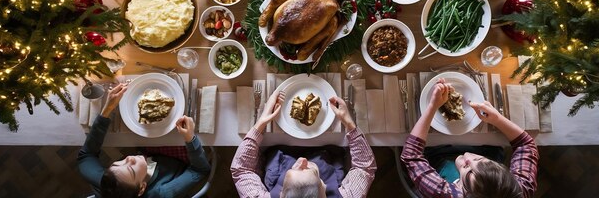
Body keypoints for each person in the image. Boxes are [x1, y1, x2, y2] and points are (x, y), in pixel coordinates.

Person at [402, 79, 539, 198]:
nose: (467, 157)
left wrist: (432, 106)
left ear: (463, 193)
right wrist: (497, 119)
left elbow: (411, 155)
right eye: (480, 160)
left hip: (438, 156)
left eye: (467, 168)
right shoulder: (518, 190)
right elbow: (525, 145)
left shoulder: (445, 194)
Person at [230, 88, 376, 197]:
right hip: (329, 153)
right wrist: (349, 123)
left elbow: (242, 170)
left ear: (281, 195)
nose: (302, 160)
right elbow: (364, 168)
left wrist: (261, 121)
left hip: (277, 153)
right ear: (323, 190)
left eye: (295, 169)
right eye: (310, 170)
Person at [78, 83, 211, 198]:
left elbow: (86, 156)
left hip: (151, 152)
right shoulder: (162, 193)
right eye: (132, 169)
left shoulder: (106, 181)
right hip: (178, 163)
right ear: (142, 188)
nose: (130, 157)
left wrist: (107, 109)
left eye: (119, 163)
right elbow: (200, 170)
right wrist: (190, 138)